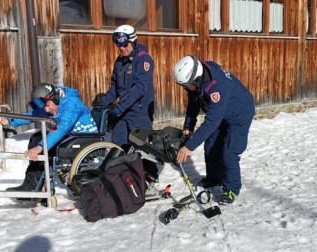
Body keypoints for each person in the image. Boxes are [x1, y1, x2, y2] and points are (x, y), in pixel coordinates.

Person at [173, 55, 255, 205]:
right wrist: (188, 127)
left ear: (196, 79)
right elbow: (193, 105)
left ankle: (231, 189)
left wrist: (188, 147)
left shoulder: (216, 87)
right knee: (211, 145)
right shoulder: (197, 79)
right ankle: (214, 178)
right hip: (221, 114)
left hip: (239, 115)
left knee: (229, 152)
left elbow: (211, 122)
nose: (185, 89)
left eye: (186, 86)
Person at [0, 83, 98, 192]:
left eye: (48, 105)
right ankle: (33, 183)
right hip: (71, 137)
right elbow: (35, 114)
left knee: (40, 142)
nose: (46, 109)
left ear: (55, 98)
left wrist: (40, 147)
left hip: (84, 139)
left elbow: (62, 128)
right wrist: (10, 121)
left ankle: (33, 185)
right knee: (37, 137)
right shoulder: (55, 103)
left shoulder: (72, 105)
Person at [99, 24, 158, 181]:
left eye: (124, 44)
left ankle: (150, 177)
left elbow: (140, 87)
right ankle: (124, 175)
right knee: (119, 142)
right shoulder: (120, 62)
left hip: (139, 111)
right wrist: (103, 102)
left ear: (133, 41)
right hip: (123, 110)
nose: (121, 48)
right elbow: (115, 87)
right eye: (118, 44)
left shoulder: (143, 59)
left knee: (142, 145)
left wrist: (121, 106)